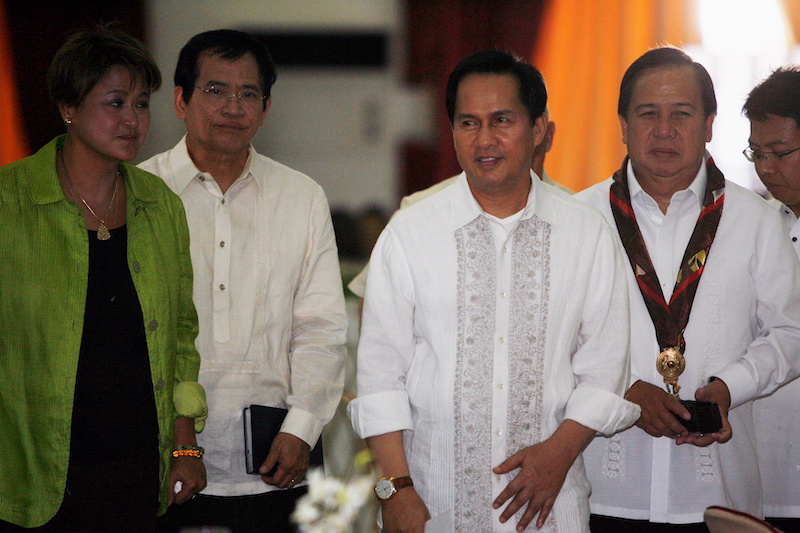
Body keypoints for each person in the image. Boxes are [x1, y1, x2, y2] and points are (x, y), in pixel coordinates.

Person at [348, 50, 640, 533]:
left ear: (539, 128)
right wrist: (394, 488)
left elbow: (607, 368)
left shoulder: (585, 233)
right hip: (432, 505)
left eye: (502, 120)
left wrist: (557, 456)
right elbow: (380, 376)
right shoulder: (410, 233)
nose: (485, 139)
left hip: (551, 506)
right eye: (468, 123)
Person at [577, 47, 800, 532]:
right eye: (647, 114)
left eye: (681, 114)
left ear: (709, 125)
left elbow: (790, 333)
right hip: (604, 490)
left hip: (720, 495)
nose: (663, 130)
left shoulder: (757, 221)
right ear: (622, 124)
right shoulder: (579, 218)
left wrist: (727, 388)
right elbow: (549, 339)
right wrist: (623, 392)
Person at [139, 29, 347, 533]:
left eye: (248, 93)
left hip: (280, 462)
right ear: (181, 100)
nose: (233, 106)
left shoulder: (302, 197)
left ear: (265, 107)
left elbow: (321, 328)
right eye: (215, 90)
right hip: (162, 459)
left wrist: (302, 428)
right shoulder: (143, 192)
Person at [0, 27, 207, 532]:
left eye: (141, 104)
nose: (133, 120)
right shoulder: (11, 200)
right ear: (68, 107)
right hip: (27, 470)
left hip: (134, 470)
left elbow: (180, 337)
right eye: (116, 103)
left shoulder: (161, 206)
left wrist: (185, 445)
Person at [347, 107, 568, 299]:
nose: (489, 141)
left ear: (543, 133)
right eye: (472, 124)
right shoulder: (420, 210)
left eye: (505, 122)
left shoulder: (579, 218)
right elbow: (376, 305)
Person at [742, 65, 800, 532]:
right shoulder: (748, 226)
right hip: (757, 476)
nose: (765, 168)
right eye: (757, 153)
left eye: (779, 153)